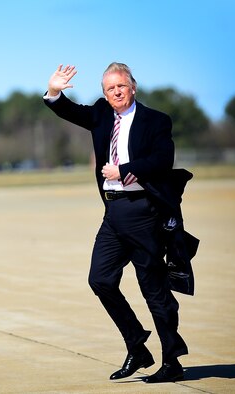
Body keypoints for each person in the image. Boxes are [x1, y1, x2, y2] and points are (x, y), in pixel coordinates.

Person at [44, 63, 189, 383]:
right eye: (110, 89)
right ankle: (137, 345)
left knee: (153, 289)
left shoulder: (155, 120)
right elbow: (66, 110)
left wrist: (124, 170)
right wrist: (54, 90)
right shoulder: (100, 113)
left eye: (121, 86)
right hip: (113, 214)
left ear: (133, 87)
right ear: (105, 94)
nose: (117, 92)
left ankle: (171, 360)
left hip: (143, 212)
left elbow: (162, 161)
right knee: (100, 279)